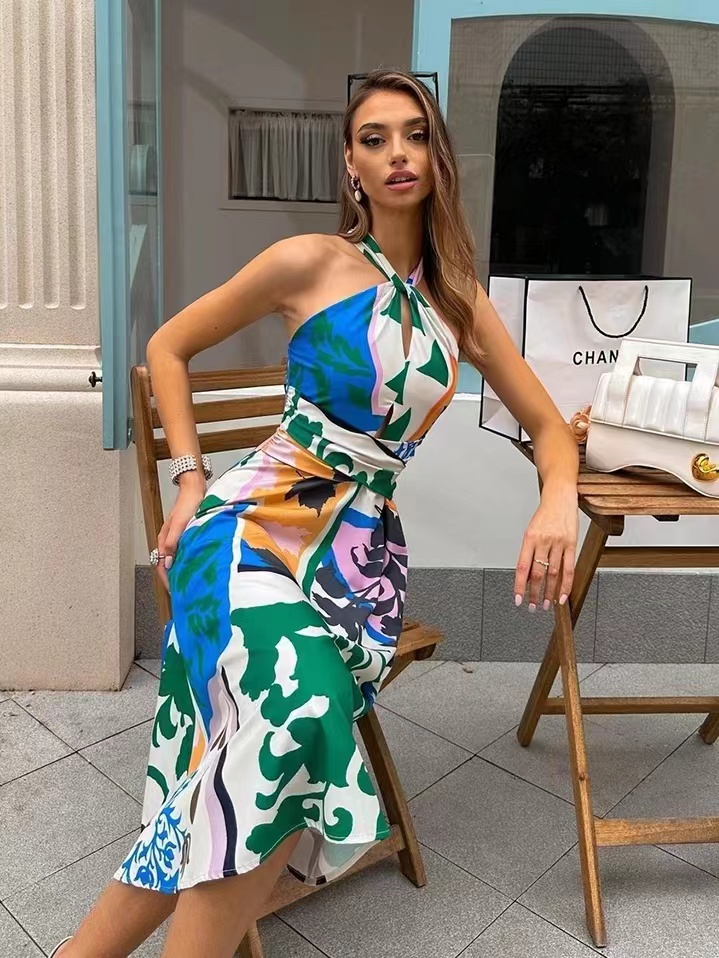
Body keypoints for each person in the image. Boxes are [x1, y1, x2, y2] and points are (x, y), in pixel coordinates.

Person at [51, 68, 579, 958]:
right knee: (299, 711)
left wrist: (556, 495)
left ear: (438, 158)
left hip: (353, 562)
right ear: (350, 166)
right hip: (248, 525)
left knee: (265, 759)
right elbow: (167, 346)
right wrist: (190, 480)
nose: (397, 153)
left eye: (414, 134)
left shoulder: (458, 301)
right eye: (374, 139)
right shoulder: (309, 261)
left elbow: (550, 430)